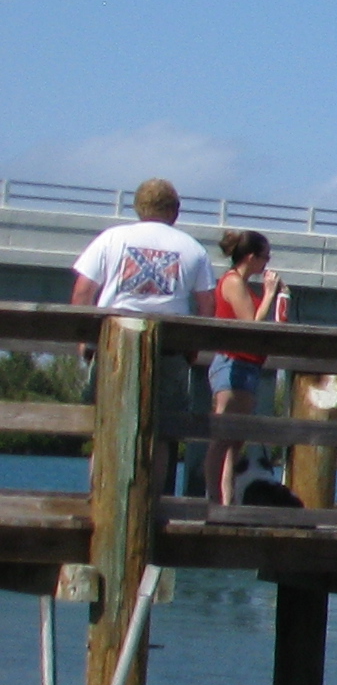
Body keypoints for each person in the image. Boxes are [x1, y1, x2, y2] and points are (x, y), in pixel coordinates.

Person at [205, 229, 288, 502]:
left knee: (234, 443)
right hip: (232, 364)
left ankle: (228, 503)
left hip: (248, 366)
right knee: (221, 438)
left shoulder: (243, 285)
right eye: (265, 257)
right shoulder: (232, 282)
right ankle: (214, 501)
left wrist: (274, 297)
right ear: (251, 257)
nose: (267, 262)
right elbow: (251, 323)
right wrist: (268, 293)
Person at [69, 179, 217, 317]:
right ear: (175, 210)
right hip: (172, 340)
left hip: (115, 335)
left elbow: (82, 293)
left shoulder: (110, 238)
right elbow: (207, 303)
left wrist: (84, 338)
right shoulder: (195, 249)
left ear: (137, 207)